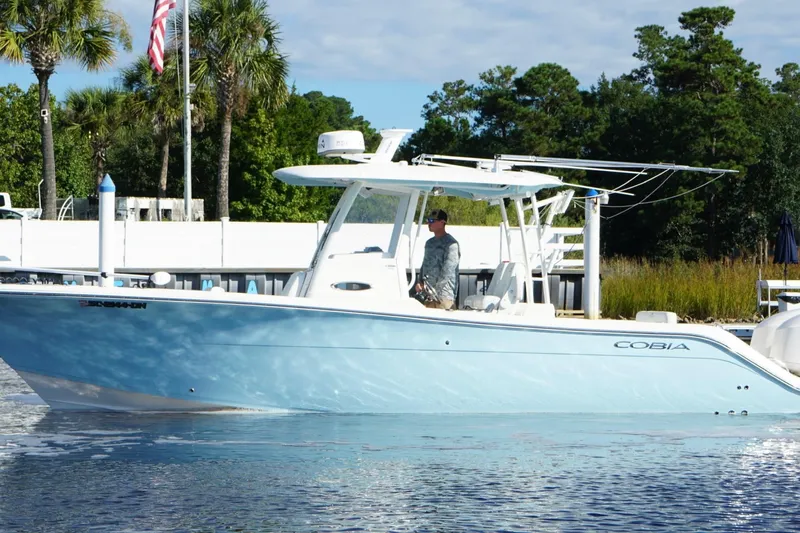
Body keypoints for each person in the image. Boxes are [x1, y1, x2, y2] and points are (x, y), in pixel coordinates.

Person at [416, 209, 460, 309]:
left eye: (432, 221)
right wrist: (420, 283)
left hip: (444, 297)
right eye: (428, 220)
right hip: (427, 297)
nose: (428, 223)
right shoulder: (429, 243)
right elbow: (425, 264)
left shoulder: (451, 244)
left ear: (442, 222)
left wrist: (434, 291)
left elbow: (447, 271)